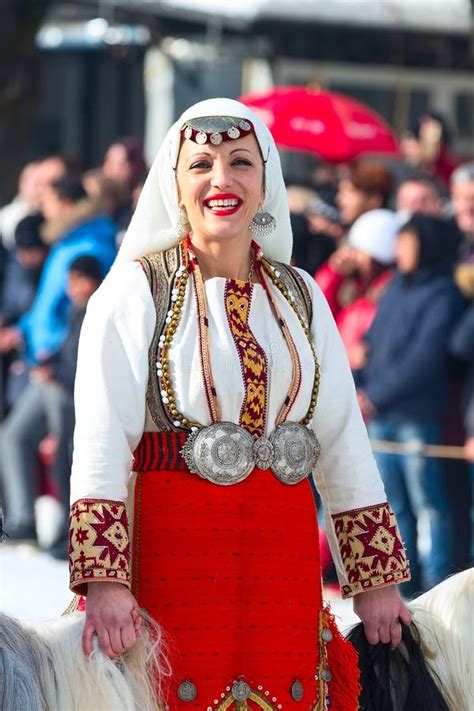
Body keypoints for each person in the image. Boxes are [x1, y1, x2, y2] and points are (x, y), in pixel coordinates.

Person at [68, 98, 411, 710]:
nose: (221, 181)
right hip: (172, 562)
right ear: (174, 184)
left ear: (266, 180)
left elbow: (341, 440)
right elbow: (100, 440)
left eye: (241, 163)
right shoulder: (132, 290)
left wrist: (376, 581)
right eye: (200, 165)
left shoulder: (301, 296)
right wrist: (104, 581)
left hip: (280, 564)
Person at [358, 214, 465, 598]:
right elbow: (373, 343)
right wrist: (364, 385)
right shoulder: (394, 289)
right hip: (381, 416)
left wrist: (376, 394)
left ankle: (438, 584)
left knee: (428, 504)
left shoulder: (443, 293)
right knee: (392, 505)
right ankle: (404, 581)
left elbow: (426, 357)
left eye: (407, 241)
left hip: (416, 417)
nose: (399, 249)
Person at [0, 255, 103, 544]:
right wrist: (48, 363)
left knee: (68, 458)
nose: (73, 288)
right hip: (56, 385)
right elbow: (67, 352)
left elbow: (89, 362)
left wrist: (56, 371)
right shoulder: (75, 311)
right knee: (14, 436)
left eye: (78, 281)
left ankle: (71, 531)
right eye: (70, 281)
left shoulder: (100, 311)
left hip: (73, 396)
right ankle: (24, 520)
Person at [0, 174, 116, 366]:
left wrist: (57, 356)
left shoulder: (91, 246)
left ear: (66, 203)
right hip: (42, 358)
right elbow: (48, 304)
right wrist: (22, 330)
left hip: (62, 364)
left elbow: (81, 309)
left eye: (48, 202)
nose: (44, 210)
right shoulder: (65, 244)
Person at [315, 209, 399, 370]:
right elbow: (318, 315)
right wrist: (333, 275)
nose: (352, 257)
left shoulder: (382, 297)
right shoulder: (357, 292)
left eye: (359, 252)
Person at [336, 161, 393, 228]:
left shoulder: (379, 230)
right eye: (341, 191)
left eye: (350, 191)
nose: (339, 198)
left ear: (374, 199)